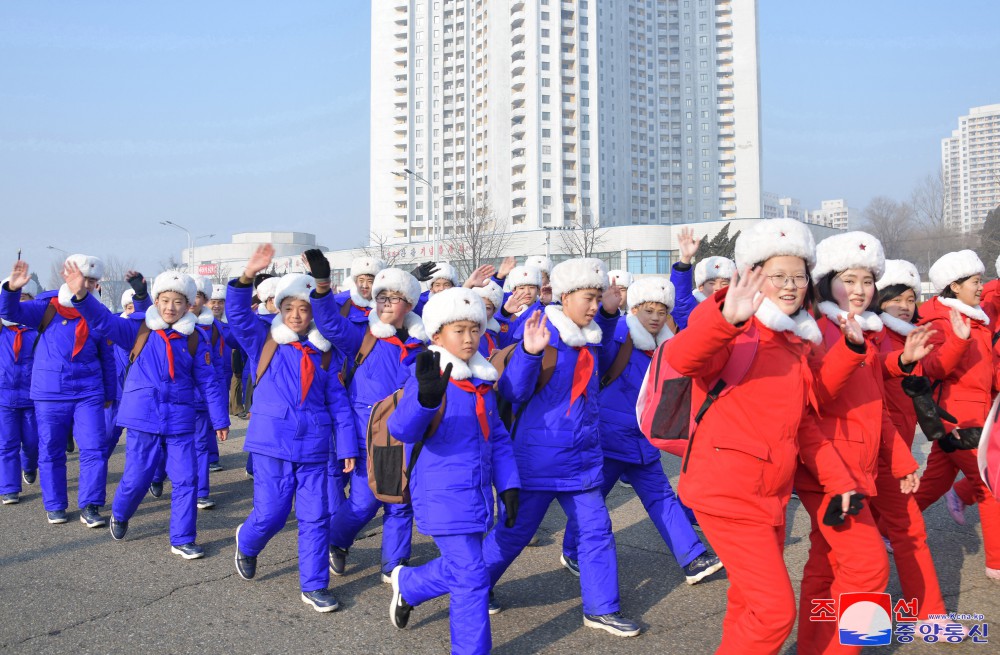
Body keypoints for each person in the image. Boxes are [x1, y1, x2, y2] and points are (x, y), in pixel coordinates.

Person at [665, 219, 862, 655]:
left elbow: (804, 423)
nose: (790, 286)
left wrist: (840, 479)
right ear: (754, 275)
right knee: (775, 612)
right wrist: (724, 320)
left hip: (772, 493)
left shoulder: (796, 339)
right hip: (728, 490)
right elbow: (683, 358)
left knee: (749, 603)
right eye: (778, 276)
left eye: (797, 276)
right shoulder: (735, 326)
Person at [481, 257, 642, 638]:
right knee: (511, 536)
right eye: (589, 297)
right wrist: (530, 353)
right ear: (566, 296)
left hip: (582, 461)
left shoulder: (588, 336)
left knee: (597, 531)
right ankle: (450, 585)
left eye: (598, 297)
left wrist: (606, 314)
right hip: (537, 463)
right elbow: (513, 391)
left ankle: (601, 608)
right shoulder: (542, 333)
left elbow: (602, 360)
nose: (593, 304)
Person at [797, 231, 922, 655]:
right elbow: (815, 399)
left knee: (826, 566)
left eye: (867, 281)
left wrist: (901, 462)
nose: (859, 290)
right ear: (827, 280)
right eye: (849, 279)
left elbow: (876, 409)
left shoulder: (862, 332)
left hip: (858, 468)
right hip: (829, 471)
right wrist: (850, 349)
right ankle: (848, 645)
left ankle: (814, 646)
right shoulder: (815, 331)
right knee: (869, 567)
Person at [560, 276, 722, 583]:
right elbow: (603, 347)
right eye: (649, 311)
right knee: (591, 499)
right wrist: (608, 313)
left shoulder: (666, 344)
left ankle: (693, 557)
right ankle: (571, 550)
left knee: (662, 497)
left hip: (641, 440)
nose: (656, 317)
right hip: (608, 439)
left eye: (662, 311)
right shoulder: (621, 334)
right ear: (633, 310)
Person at [387, 287, 520, 655]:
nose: (468, 338)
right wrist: (426, 400)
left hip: (477, 494)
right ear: (437, 336)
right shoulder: (429, 377)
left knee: (466, 568)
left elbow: (499, 439)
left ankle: (410, 585)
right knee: (473, 578)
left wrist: (509, 485)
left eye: (474, 329)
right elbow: (401, 429)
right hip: (441, 493)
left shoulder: (481, 382)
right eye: (458, 330)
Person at [65, 265, 229, 559]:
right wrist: (81, 295)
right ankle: (120, 512)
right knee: (137, 478)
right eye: (165, 301)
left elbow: (209, 381)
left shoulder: (194, 338)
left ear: (188, 305)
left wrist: (220, 418)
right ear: (156, 301)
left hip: (180, 418)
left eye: (178, 302)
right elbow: (103, 321)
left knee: (186, 479)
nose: (171, 307)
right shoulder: (138, 329)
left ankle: (182, 538)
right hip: (143, 416)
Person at [230, 245, 354, 612]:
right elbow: (237, 315)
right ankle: (248, 543)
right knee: (272, 513)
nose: (298, 315)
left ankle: (314, 585)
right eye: (290, 309)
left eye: (304, 309)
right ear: (278, 310)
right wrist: (246, 276)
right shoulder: (263, 343)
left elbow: (339, 404)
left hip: (316, 447)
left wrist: (346, 447)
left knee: (316, 518)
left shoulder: (324, 353)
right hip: (271, 445)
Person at [307, 254, 427, 583]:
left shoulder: (424, 344)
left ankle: (394, 566)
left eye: (394, 298)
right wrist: (321, 286)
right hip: (367, 436)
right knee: (363, 503)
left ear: (410, 304)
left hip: (408, 436)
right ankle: (336, 540)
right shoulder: (365, 336)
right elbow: (330, 323)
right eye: (381, 297)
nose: (386, 303)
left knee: (401, 504)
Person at [0, 254, 116, 527]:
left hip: (88, 391)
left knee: (94, 448)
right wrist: (12, 289)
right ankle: (55, 505)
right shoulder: (47, 307)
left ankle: (90, 505)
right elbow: (10, 312)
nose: (86, 285)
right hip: (50, 393)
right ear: (68, 278)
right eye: (82, 279)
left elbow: (107, 357)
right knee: (51, 449)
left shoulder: (99, 315)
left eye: (92, 281)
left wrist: (110, 392)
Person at [871, 259, 956, 621]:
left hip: (896, 450)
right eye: (896, 298)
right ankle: (849, 628)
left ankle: (929, 616)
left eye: (910, 298)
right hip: (861, 456)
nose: (905, 305)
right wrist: (903, 360)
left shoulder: (912, 333)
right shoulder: (869, 334)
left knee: (909, 531)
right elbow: (882, 365)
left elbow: (933, 373)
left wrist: (962, 339)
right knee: (850, 553)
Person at [913, 250, 1000, 584]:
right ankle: (996, 562)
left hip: (978, 412)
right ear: (954, 284)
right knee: (990, 485)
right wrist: (959, 342)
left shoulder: (977, 318)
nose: (981, 287)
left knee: (935, 482)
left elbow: (987, 375)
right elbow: (933, 369)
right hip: (955, 415)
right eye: (976, 282)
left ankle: (887, 528)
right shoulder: (938, 319)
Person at [0, 277, 41, 504]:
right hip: (4, 396)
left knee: (33, 441)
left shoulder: (38, 330)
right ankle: (9, 488)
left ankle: (30, 464)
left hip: (31, 397)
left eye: (23, 298)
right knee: (6, 444)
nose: (19, 304)